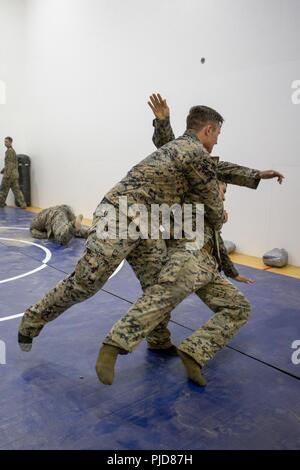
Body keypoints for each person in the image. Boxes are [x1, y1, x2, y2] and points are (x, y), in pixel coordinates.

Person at [0, 137, 27, 209]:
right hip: (14, 175)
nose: (5, 143)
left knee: (3, 189)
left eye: (6, 142)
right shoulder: (12, 151)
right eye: (4, 142)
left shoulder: (9, 151)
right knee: (17, 191)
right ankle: (23, 204)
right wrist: (3, 170)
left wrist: (6, 175)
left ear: (11, 142)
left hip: (9, 175)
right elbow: (11, 163)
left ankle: (0, 203)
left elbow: (10, 164)